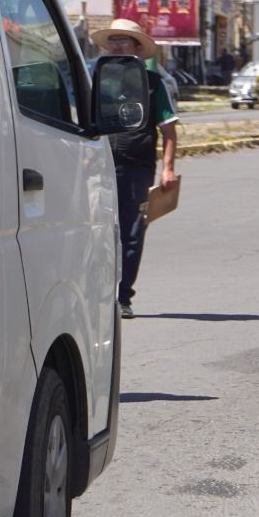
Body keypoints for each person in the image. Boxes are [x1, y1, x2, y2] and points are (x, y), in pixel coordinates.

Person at [93, 18, 179, 320]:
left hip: (136, 168)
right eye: (113, 40)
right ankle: (96, 294)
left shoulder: (153, 84)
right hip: (96, 167)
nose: (117, 45)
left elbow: (169, 131)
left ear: (137, 48)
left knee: (131, 234)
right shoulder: (96, 78)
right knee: (94, 233)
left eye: (124, 40)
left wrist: (167, 169)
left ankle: (123, 296)